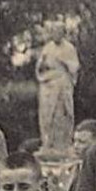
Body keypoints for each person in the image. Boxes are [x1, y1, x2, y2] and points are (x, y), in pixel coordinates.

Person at [34, 20, 80, 156]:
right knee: (46, 115)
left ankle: (63, 145)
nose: (56, 35)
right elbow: (40, 67)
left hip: (62, 84)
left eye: (59, 32)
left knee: (61, 113)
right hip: (48, 84)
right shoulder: (47, 47)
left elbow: (75, 66)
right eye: (53, 32)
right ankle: (47, 143)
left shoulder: (69, 48)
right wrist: (42, 65)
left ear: (63, 33)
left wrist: (64, 61)